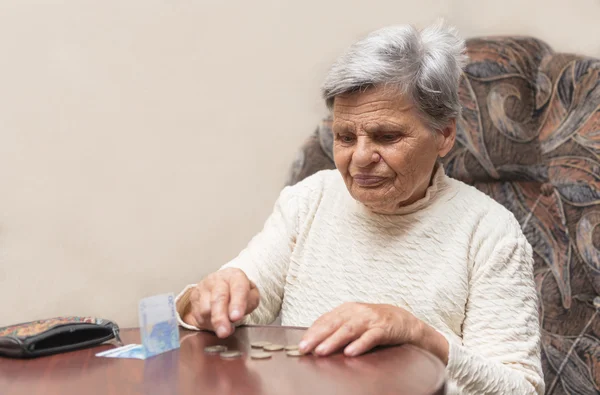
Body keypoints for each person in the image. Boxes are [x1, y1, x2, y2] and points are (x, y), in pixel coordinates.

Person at [175, 22, 544, 394]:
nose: (361, 158)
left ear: (444, 134)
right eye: (345, 137)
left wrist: (418, 335)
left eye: (387, 136)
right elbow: (231, 305)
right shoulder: (309, 199)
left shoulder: (490, 232)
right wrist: (206, 302)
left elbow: (522, 389)